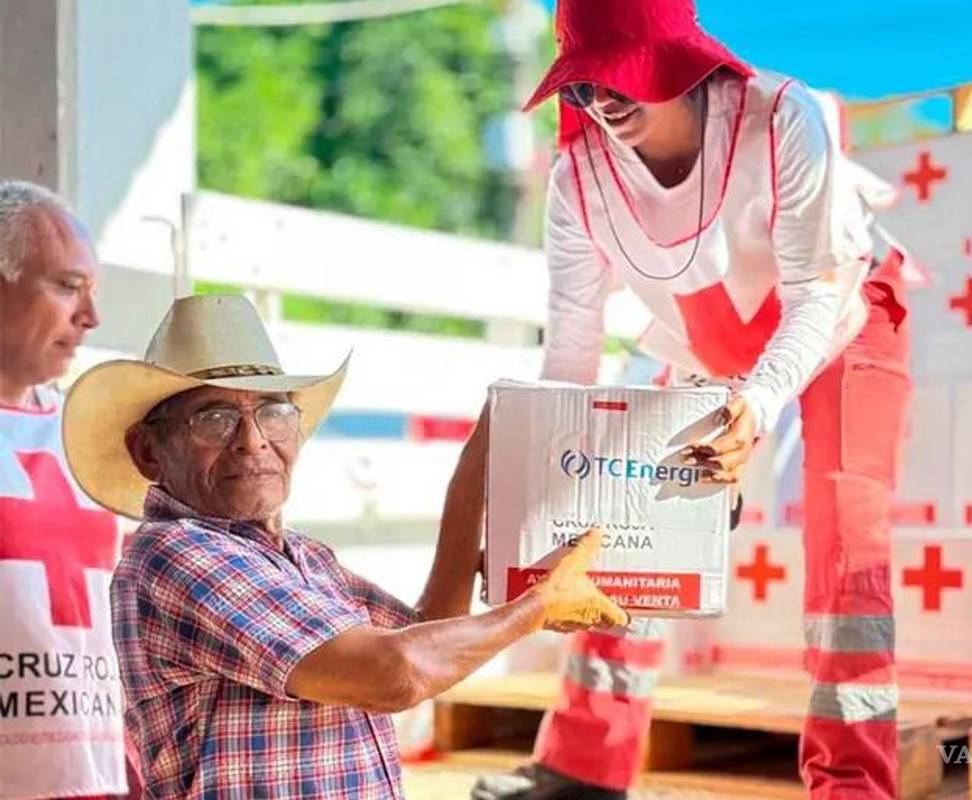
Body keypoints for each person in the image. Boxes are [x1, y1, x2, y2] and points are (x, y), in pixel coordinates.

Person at [472, 2, 912, 799]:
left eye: (625, 75)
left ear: (684, 63)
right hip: (710, 337)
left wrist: (760, 400)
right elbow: (571, 354)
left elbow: (815, 288)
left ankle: (852, 785)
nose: (603, 101)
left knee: (847, 538)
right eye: (582, 84)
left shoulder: (785, 115)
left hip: (844, 314)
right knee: (623, 513)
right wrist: (533, 509)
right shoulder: (578, 178)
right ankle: (582, 768)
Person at [59, 293, 627, 799]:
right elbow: (397, 673)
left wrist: (485, 447)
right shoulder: (177, 556)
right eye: (215, 418)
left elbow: (427, 629)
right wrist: (534, 610)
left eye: (274, 412)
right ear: (149, 453)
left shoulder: (300, 557)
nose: (253, 441)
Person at [0, 180, 133, 799]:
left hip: (97, 778)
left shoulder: (90, 438)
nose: (91, 317)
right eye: (66, 285)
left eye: (93, 291)